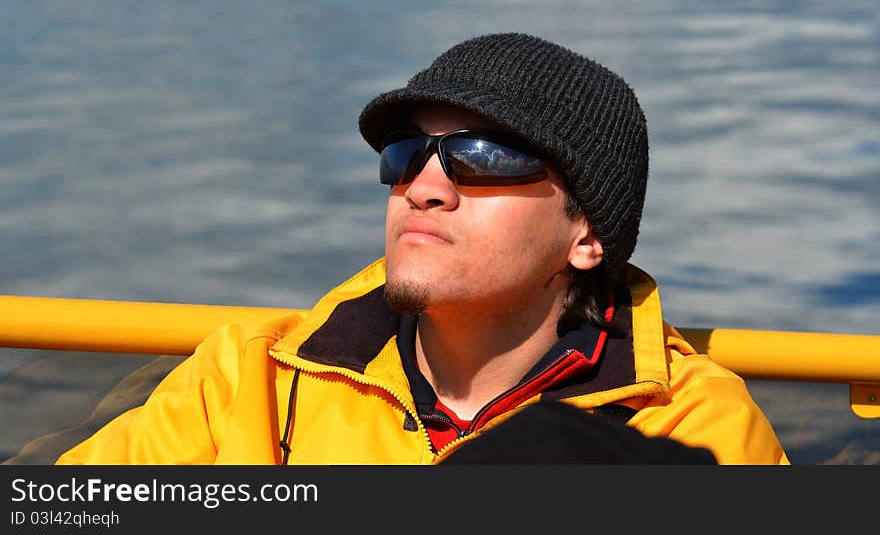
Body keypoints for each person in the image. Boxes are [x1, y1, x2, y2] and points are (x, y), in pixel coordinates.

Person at [55, 33, 789, 465]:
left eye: (483, 157)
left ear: (588, 234)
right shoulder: (249, 381)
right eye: (409, 154)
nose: (425, 185)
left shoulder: (688, 429)